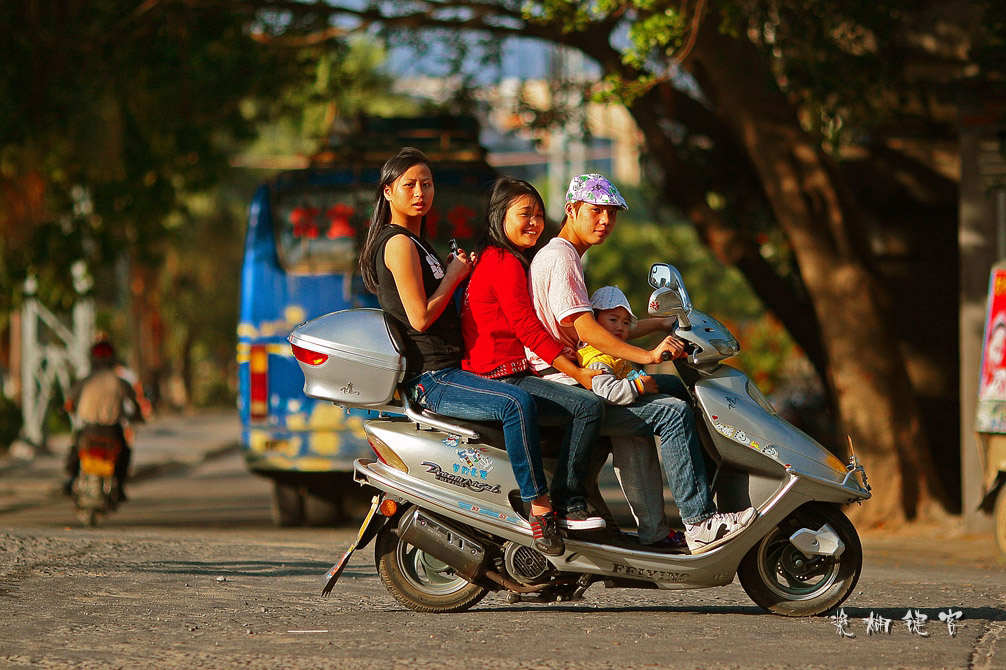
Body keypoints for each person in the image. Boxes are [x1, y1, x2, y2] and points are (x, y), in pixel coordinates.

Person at [527, 173, 756, 554]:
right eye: (596, 211)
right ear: (571, 210)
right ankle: (700, 522)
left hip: (582, 374)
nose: (605, 221)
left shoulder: (566, 257)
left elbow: (607, 328)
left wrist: (667, 322)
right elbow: (591, 331)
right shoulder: (561, 258)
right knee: (672, 413)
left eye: (612, 214)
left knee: (670, 389)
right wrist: (649, 356)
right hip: (569, 384)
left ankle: (657, 529)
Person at [359, 148, 565, 555]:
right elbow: (419, 318)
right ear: (388, 192)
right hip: (431, 378)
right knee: (516, 404)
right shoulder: (398, 243)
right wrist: (454, 275)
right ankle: (539, 509)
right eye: (410, 185)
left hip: (451, 369)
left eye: (427, 183)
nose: (420, 192)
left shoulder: (416, 240)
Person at [460, 176, 606, 533]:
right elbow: (526, 328)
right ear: (499, 215)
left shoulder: (500, 258)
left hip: (500, 369)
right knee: (588, 407)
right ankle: (568, 502)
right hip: (502, 374)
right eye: (524, 214)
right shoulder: (504, 262)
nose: (534, 223)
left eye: (539, 215)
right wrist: (576, 371)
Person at [63, 341, 143, 500]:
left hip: (89, 430)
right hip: (112, 431)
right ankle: (119, 487)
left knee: (75, 449)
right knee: (124, 452)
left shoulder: (85, 380)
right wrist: (137, 417)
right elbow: (135, 403)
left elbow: (69, 403)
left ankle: (71, 481)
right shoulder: (120, 381)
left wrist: (70, 410)